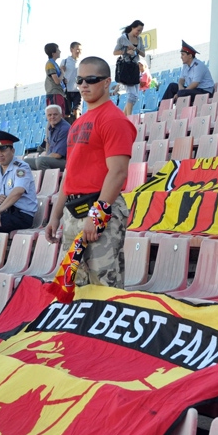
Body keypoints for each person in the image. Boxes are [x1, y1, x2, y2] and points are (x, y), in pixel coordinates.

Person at [45, 56, 137, 289]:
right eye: (79, 80)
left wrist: (96, 215)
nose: (84, 85)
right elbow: (70, 173)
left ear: (106, 82)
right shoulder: (77, 123)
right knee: (74, 286)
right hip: (73, 210)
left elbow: (118, 172)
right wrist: (55, 215)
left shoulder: (114, 119)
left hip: (101, 207)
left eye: (91, 80)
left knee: (103, 286)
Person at [112, 20, 145, 116]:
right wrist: (125, 51)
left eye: (141, 31)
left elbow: (143, 54)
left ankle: (123, 116)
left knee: (135, 96)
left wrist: (135, 49)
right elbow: (115, 52)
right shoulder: (123, 38)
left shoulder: (139, 39)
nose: (139, 32)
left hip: (135, 67)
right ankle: (129, 117)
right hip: (126, 67)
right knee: (131, 95)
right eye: (138, 30)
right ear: (133, 27)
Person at [26, 104, 70, 171]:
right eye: (49, 115)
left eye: (55, 114)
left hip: (65, 161)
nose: (52, 117)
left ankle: (50, 178)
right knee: (26, 162)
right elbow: (48, 145)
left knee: (41, 161)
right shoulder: (51, 126)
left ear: (61, 115)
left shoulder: (64, 129)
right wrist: (46, 156)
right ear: (46, 116)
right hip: (54, 159)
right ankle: (36, 177)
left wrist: (45, 157)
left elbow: (57, 155)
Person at [61, 42, 82, 122]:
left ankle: (78, 127)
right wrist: (62, 72)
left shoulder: (82, 62)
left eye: (80, 50)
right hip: (67, 91)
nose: (79, 51)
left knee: (77, 111)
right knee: (67, 114)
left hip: (78, 90)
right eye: (77, 49)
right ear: (71, 50)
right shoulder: (65, 61)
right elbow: (59, 74)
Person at [44, 43, 67, 110]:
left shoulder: (54, 64)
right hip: (54, 93)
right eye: (58, 50)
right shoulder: (50, 64)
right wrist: (62, 73)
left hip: (59, 93)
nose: (60, 51)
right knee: (56, 113)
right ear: (53, 53)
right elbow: (57, 81)